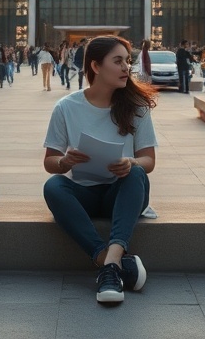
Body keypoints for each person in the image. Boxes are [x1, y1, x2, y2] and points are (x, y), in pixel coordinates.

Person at [42, 36, 157, 304]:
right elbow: (50, 163)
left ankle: (110, 265)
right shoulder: (67, 107)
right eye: (118, 61)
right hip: (84, 193)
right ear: (95, 66)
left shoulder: (137, 107)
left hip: (123, 193)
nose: (126, 68)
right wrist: (65, 162)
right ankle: (110, 263)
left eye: (127, 61)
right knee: (54, 186)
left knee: (137, 173)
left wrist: (131, 162)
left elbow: (148, 161)